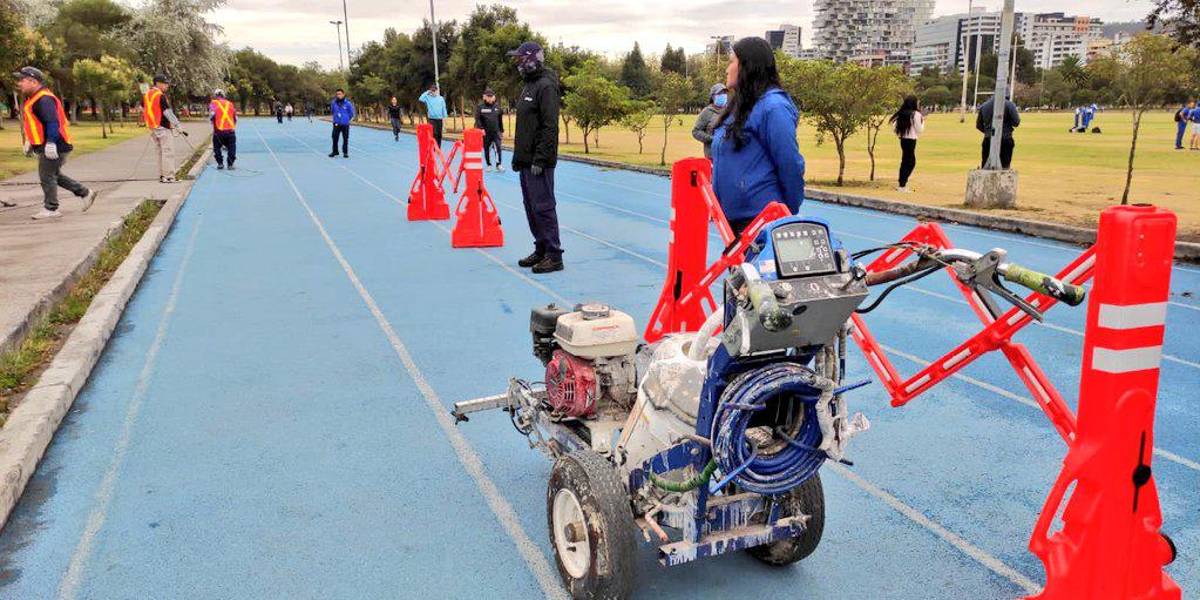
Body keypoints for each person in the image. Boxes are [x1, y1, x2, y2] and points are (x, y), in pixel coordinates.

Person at [710, 37, 805, 239]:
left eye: (731, 62)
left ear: (747, 65)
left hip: (761, 221)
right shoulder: (739, 106)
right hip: (733, 221)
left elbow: (789, 163)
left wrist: (787, 211)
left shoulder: (773, 107)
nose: (727, 69)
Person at [507, 41, 563, 274]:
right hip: (526, 160)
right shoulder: (528, 85)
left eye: (520, 59)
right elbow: (526, 126)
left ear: (532, 58)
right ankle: (540, 248)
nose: (517, 63)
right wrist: (518, 157)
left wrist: (540, 159)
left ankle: (554, 254)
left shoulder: (546, 86)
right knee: (530, 207)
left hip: (539, 161)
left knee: (543, 207)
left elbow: (549, 127)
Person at [13, 66, 97, 220]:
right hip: (47, 144)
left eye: (22, 80)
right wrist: (31, 143)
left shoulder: (43, 99)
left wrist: (51, 143)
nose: (19, 84)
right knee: (54, 175)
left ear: (33, 81)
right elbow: (37, 125)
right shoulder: (34, 98)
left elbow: (52, 122)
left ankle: (51, 208)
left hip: (55, 144)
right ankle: (85, 193)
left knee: (46, 176)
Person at [144, 74, 183, 183]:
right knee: (168, 152)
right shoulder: (159, 95)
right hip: (163, 127)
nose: (167, 86)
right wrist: (177, 125)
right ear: (158, 83)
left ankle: (162, 176)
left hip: (153, 127)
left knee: (160, 152)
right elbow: (167, 112)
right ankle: (170, 176)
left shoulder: (147, 94)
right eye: (165, 83)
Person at [890, 95, 924, 193]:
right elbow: (919, 129)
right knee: (910, 162)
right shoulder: (916, 114)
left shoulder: (901, 113)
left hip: (903, 139)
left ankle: (902, 183)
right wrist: (923, 121)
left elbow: (894, 126)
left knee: (905, 161)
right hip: (911, 140)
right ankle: (902, 185)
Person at [976, 95, 1020, 169]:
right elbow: (1016, 122)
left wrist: (988, 132)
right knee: (1005, 168)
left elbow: (979, 125)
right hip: (1005, 139)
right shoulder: (1009, 104)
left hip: (988, 139)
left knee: (986, 168)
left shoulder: (984, 106)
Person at [692, 83, 727, 158]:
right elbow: (696, 131)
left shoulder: (729, 110)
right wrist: (712, 139)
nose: (723, 95)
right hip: (712, 156)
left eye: (724, 93)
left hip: (727, 155)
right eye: (720, 93)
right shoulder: (707, 112)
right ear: (713, 97)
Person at [474, 88, 504, 171]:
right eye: (488, 96)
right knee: (487, 149)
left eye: (491, 96)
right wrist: (481, 129)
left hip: (496, 132)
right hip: (485, 133)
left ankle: (499, 164)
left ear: (494, 97)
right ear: (484, 97)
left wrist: (501, 131)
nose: (490, 98)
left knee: (498, 147)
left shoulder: (498, 107)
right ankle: (489, 164)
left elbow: (500, 120)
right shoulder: (480, 107)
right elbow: (477, 119)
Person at [209, 89, 237, 170]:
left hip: (218, 131)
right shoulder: (230, 104)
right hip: (230, 131)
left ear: (215, 95)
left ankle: (220, 163)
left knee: (217, 147)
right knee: (232, 147)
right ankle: (230, 164)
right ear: (223, 95)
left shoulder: (213, 103)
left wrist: (213, 123)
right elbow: (235, 118)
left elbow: (211, 116)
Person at [329, 88, 355, 158]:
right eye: (337, 94)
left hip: (345, 124)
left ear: (343, 94)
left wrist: (346, 119)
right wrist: (336, 118)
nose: (338, 95)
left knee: (345, 138)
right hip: (336, 123)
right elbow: (332, 111)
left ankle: (345, 152)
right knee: (334, 138)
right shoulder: (333, 103)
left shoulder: (348, 103)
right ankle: (335, 151)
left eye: (340, 94)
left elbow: (351, 113)